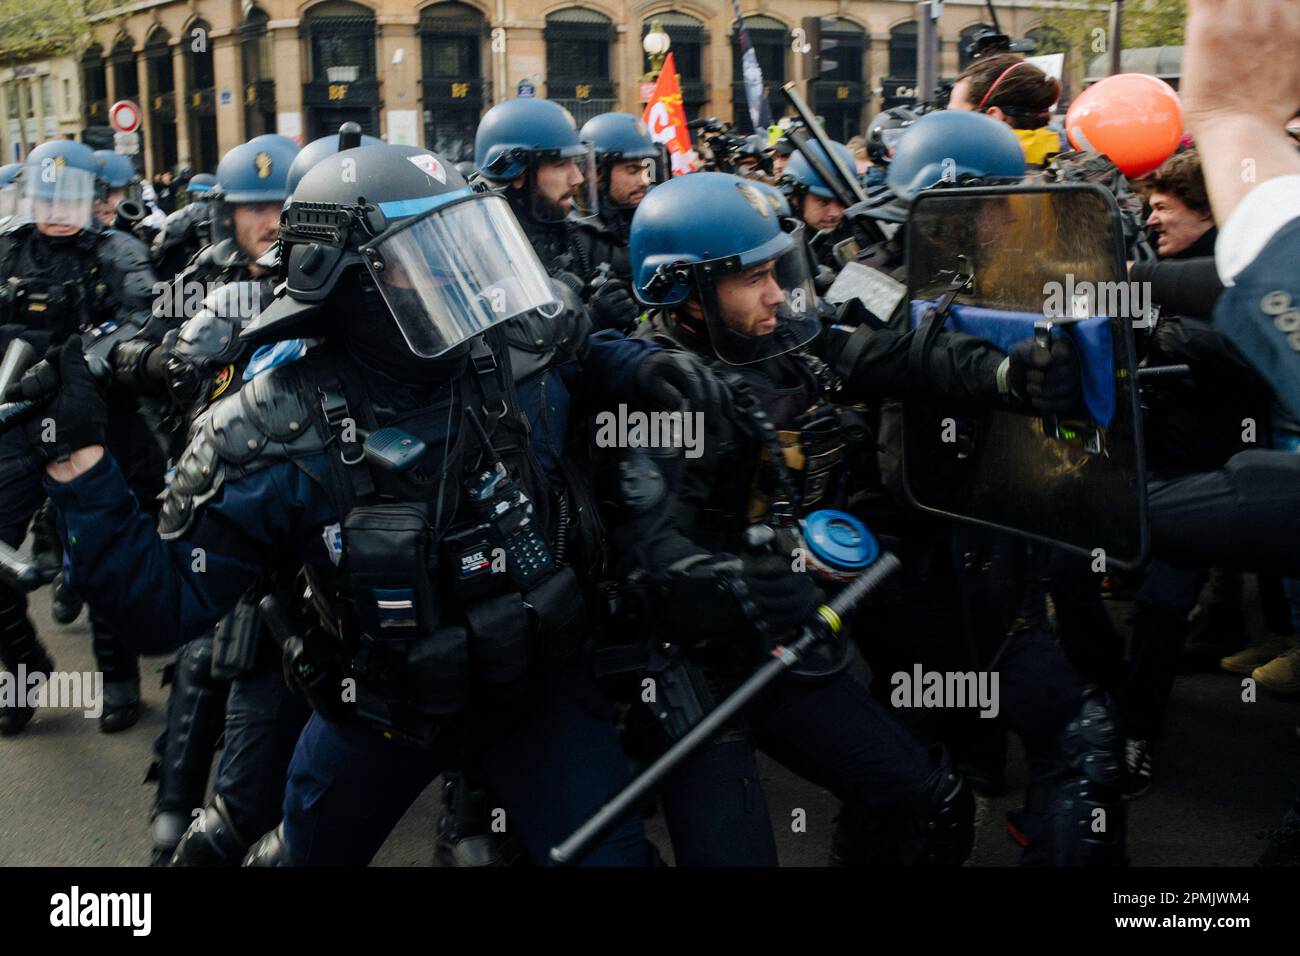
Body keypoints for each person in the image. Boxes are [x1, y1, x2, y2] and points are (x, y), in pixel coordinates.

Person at [26, 142, 700, 867]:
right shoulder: (276, 426)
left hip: (540, 686)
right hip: (385, 704)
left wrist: (642, 364)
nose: (460, 271)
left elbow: (582, 348)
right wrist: (81, 467)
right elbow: (159, 605)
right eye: (428, 253)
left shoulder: (519, 338)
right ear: (347, 281)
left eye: (464, 242)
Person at [608, 170, 976, 866]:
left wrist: (1004, 373)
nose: (776, 293)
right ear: (684, 289)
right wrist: (741, 581)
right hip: (704, 669)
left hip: (790, 637)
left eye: (778, 271)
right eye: (752, 278)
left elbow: (891, 360)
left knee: (929, 802)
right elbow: (651, 559)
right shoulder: (660, 390)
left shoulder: (779, 346)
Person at [0, 139, 162, 734]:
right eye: (44, 195)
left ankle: (118, 681)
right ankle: (22, 671)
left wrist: (86, 355)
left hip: (96, 421)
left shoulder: (117, 250)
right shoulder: (8, 248)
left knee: (103, 557)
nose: (55, 208)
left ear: (91, 200)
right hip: (17, 422)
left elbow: (149, 315)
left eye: (67, 196)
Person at [570, 111, 663, 331]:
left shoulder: (652, 221)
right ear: (598, 172)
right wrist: (592, 317)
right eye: (632, 170)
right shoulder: (572, 234)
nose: (644, 180)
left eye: (646, 168)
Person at [947, 53, 1065, 169]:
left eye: (955, 116)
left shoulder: (955, 172)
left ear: (993, 117)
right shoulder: (1069, 164)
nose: (947, 125)